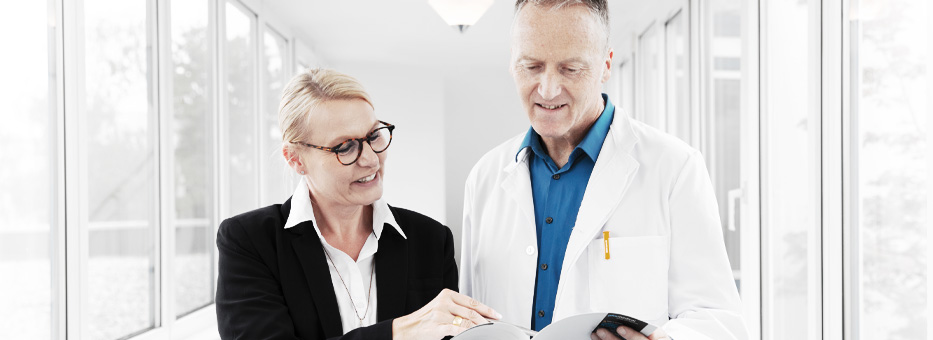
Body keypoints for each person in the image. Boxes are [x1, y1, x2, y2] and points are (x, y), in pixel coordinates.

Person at [459, 1, 747, 340]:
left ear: (605, 65)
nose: (548, 89)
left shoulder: (675, 169)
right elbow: (470, 322)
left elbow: (719, 321)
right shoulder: (484, 178)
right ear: (512, 63)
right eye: (532, 66)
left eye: (570, 69)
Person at [217, 68, 499, 340]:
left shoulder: (431, 240)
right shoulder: (250, 241)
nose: (371, 159)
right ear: (295, 159)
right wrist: (399, 332)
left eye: (374, 136)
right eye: (345, 147)